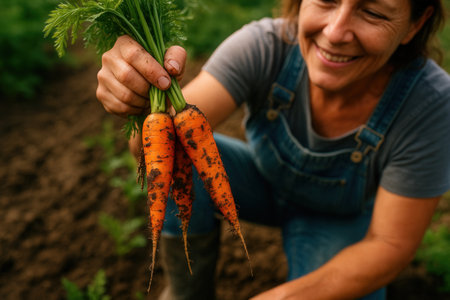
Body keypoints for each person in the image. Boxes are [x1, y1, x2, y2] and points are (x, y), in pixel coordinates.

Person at [96, 0, 450, 298]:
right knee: (177, 155)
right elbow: (157, 154)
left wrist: (281, 297)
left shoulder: (430, 103)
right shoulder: (264, 45)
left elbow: (390, 244)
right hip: (262, 183)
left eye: (373, 12)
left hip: (337, 218)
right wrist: (141, 101)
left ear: (414, 24)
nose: (335, 32)